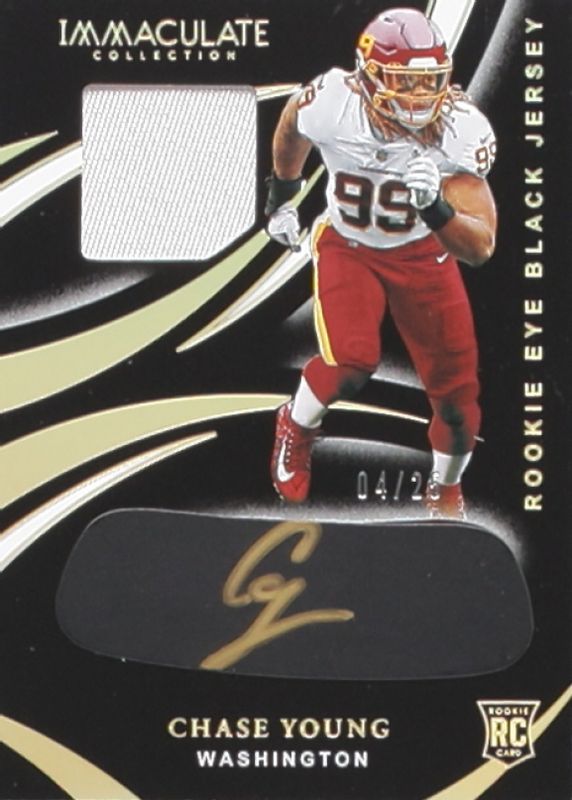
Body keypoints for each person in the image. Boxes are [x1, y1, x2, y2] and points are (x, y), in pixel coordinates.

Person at [266, 8, 497, 518]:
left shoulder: (459, 129)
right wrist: (281, 197)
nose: (418, 96)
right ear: (367, 75)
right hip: (350, 246)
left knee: (458, 404)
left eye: (429, 81)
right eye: (404, 80)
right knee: (349, 363)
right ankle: (295, 424)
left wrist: (435, 207)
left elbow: (480, 248)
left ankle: (445, 491)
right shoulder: (334, 103)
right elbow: (291, 125)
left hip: (424, 254)